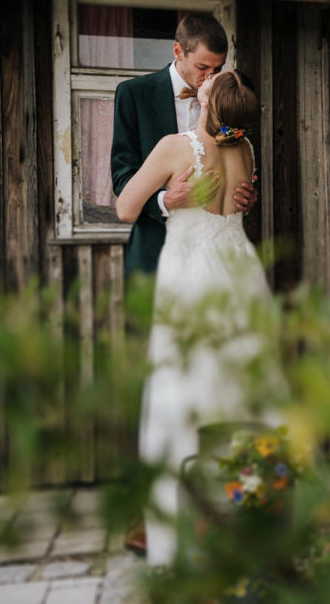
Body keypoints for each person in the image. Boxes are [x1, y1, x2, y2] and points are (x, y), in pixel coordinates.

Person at [116, 71, 284, 567]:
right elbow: (237, 205)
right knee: (240, 390)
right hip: (239, 272)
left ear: (208, 101)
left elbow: (126, 208)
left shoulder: (176, 147)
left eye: (209, 82)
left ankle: (183, 528)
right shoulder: (246, 149)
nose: (202, 82)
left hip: (191, 275)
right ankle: (244, 513)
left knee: (183, 393)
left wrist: (167, 200)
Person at [110, 13, 258, 277]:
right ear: (178, 51)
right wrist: (165, 200)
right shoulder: (134, 94)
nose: (210, 77)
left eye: (218, 68)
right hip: (154, 249)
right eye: (203, 67)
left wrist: (245, 194)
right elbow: (123, 176)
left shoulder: (229, 105)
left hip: (218, 258)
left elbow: (235, 165)